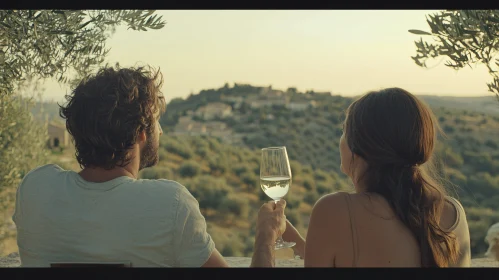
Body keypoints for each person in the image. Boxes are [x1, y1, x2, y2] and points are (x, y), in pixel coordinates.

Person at [12, 64, 286, 267]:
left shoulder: (35, 189)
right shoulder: (170, 204)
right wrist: (266, 235)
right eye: (156, 122)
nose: (161, 132)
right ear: (141, 133)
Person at [278, 88, 471, 267]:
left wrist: (263, 240)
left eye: (344, 131)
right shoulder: (453, 213)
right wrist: (292, 238)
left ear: (361, 147)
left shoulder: (334, 210)